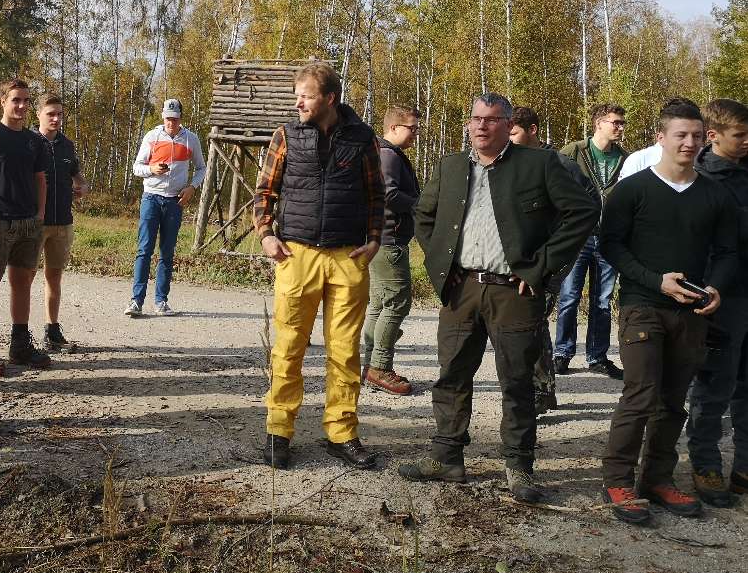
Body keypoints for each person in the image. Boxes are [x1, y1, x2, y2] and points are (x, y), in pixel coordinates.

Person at [399, 93, 598, 503]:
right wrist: (442, 261)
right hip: (462, 289)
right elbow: (424, 216)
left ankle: (519, 466)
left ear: (508, 125)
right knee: (452, 372)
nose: (481, 126)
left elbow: (582, 211)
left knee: (518, 381)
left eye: (491, 120)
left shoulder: (539, 164)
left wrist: (542, 266)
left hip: (515, 290)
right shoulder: (451, 166)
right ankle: (446, 457)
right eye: (475, 119)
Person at [598, 98, 738, 524]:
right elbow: (611, 245)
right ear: (660, 137)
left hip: (692, 314)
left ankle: (657, 479)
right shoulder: (633, 189)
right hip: (643, 306)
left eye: (697, 135)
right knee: (640, 393)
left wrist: (716, 286)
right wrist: (654, 279)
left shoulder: (716, 194)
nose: (690, 143)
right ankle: (617, 480)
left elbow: (729, 250)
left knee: (673, 401)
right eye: (681, 134)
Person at [253, 62, 384, 470]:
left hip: (348, 258)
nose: (298, 102)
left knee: (345, 352)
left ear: (329, 98)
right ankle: (279, 432)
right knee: (288, 347)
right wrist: (266, 233)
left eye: (306, 95)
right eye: (298, 94)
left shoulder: (363, 139)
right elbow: (265, 190)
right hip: (297, 254)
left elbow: (377, 194)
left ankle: (341, 433)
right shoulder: (286, 135)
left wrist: (376, 239)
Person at [508, 106, 599, 415]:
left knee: (531, 322)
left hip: (549, 260)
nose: (507, 138)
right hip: (522, 259)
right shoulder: (510, 162)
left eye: (513, 132)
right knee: (531, 322)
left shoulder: (560, 165)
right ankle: (542, 391)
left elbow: (584, 211)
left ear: (532, 130)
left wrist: (554, 257)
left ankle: (539, 393)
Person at [685, 99, 748, 506]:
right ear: (714, 136)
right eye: (740, 136)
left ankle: (743, 466)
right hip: (721, 295)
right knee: (714, 384)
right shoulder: (698, 180)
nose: (747, 142)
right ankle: (705, 463)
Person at [0, 79, 50, 374]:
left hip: (29, 223)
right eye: (16, 100)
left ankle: (19, 344)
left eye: (26, 101)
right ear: (3, 102)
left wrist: (40, 213)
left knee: (22, 283)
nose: (21, 106)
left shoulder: (34, 141)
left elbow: (40, 178)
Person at [553, 103, 629, 379]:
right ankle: (562, 354)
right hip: (577, 238)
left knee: (602, 300)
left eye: (622, 123)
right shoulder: (573, 151)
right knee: (569, 297)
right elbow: (552, 186)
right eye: (615, 122)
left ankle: (597, 357)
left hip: (609, 238)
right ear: (599, 123)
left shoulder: (625, 158)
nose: (620, 127)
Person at [126, 98, 206, 316]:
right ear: (163, 117)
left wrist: (192, 187)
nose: (171, 123)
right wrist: (152, 169)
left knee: (167, 252)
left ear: (181, 118)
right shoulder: (152, 137)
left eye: (175, 118)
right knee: (144, 250)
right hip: (151, 197)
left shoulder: (191, 139)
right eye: (168, 118)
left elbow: (201, 168)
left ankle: (161, 301)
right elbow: (136, 167)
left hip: (174, 201)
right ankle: (136, 301)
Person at [362, 104, 421, 396]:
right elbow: (390, 194)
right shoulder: (387, 155)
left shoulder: (382, 152)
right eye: (412, 128)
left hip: (381, 238)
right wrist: (421, 205)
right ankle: (380, 367)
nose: (416, 134)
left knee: (379, 304)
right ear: (394, 128)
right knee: (396, 303)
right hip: (388, 239)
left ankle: (368, 363)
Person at [33, 93, 87, 353]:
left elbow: (75, 172)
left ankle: (52, 332)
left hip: (62, 222)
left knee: (54, 278)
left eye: (60, 115)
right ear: (38, 115)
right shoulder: (30, 142)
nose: (56, 119)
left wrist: (81, 184)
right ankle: (19, 336)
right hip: (34, 223)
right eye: (50, 114)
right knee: (23, 278)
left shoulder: (67, 145)